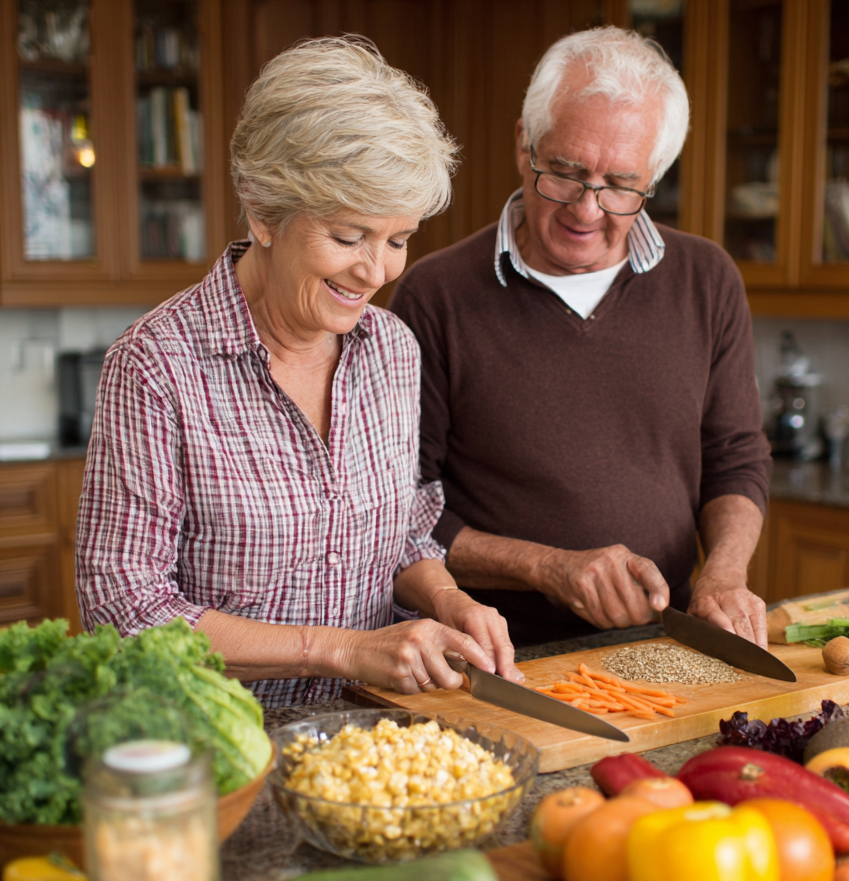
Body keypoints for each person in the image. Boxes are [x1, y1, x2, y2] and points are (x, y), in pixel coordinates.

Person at [76, 37, 521, 706]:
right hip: (221, 751)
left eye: (397, 240)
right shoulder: (155, 366)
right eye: (348, 237)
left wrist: (450, 600)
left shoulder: (392, 350)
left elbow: (398, 534)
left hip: (373, 740)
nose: (376, 272)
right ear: (263, 213)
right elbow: (126, 613)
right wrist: (341, 650)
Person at [390, 26, 772, 649]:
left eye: (621, 185)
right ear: (524, 144)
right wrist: (548, 568)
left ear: (655, 176)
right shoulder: (433, 296)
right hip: (494, 655)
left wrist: (723, 575)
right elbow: (401, 512)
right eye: (565, 172)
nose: (587, 210)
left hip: (661, 644)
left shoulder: (707, 279)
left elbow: (735, 457)